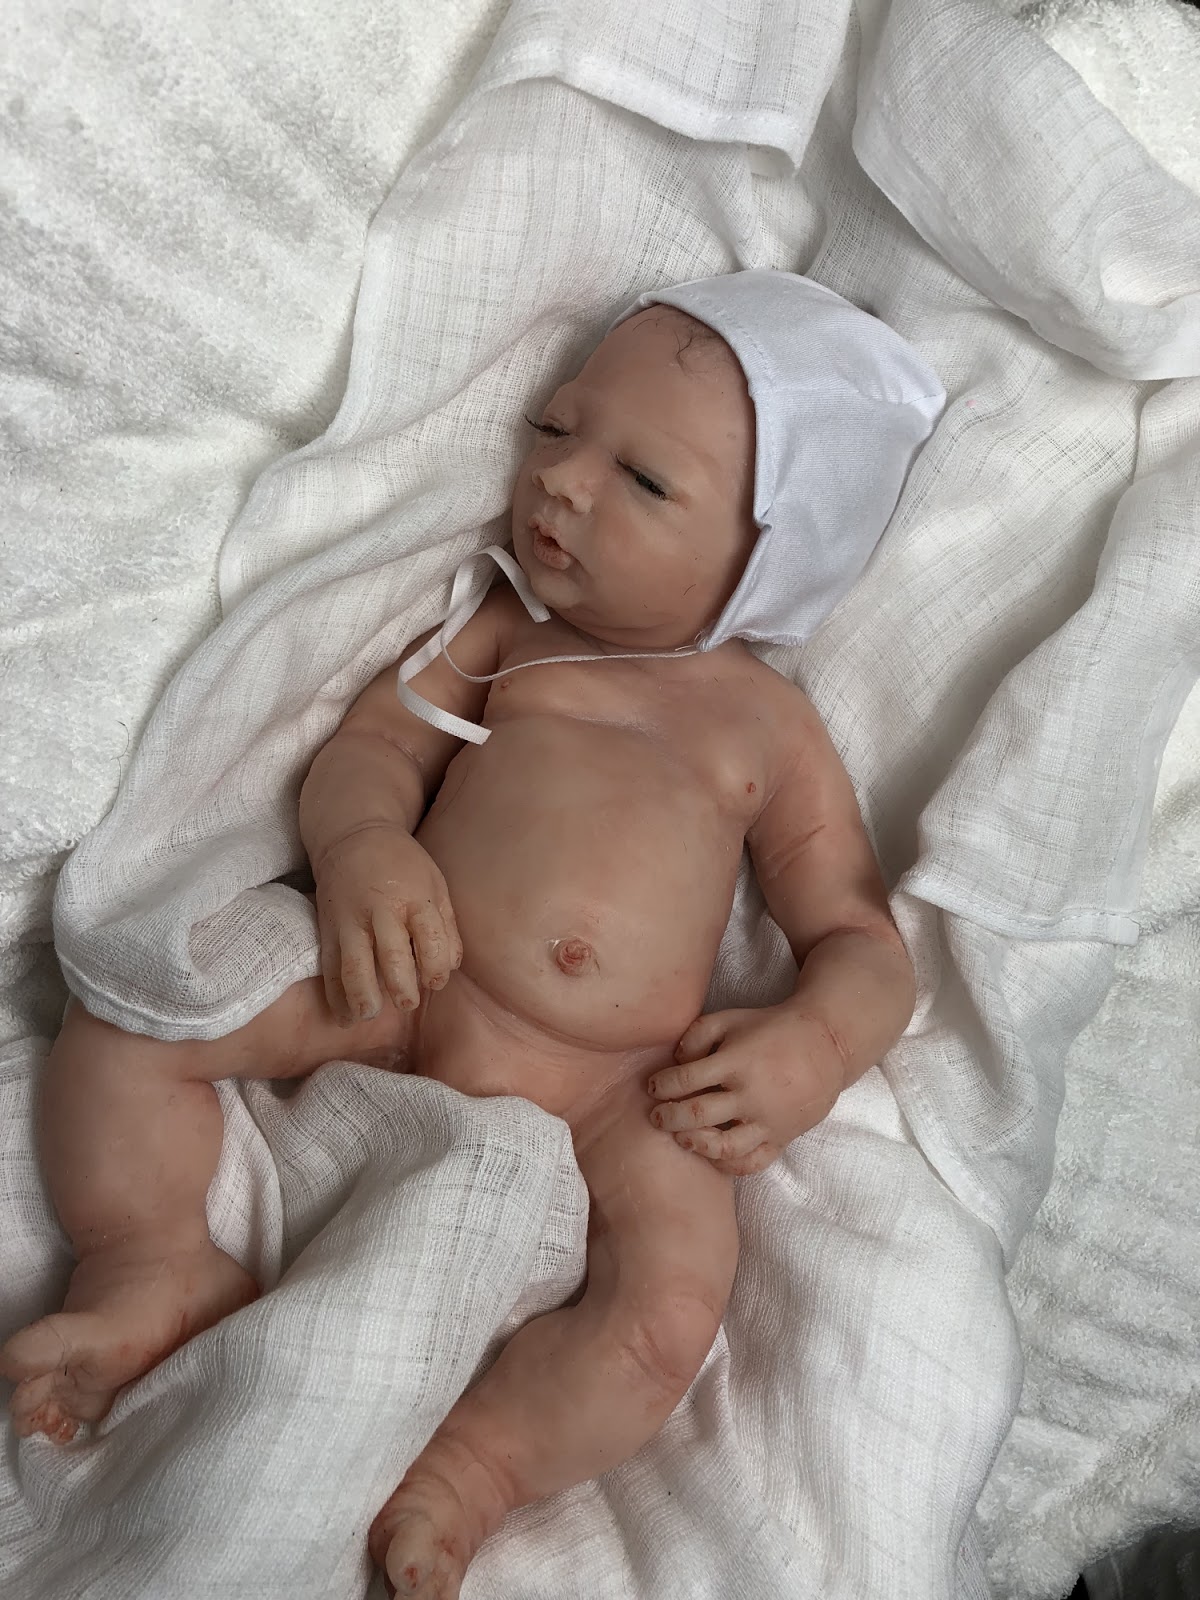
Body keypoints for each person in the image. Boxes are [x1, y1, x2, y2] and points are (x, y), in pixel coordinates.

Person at [2, 270, 942, 1600]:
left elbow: (858, 934)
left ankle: (478, 1469)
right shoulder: (507, 636)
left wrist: (814, 1048)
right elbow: (373, 749)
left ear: (773, 554)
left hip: (626, 1089)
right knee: (136, 1020)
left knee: (669, 1309)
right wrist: (363, 847)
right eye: (557, 429)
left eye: (643, 480)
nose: (561, 481)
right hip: (406, 983)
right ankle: (150, 1262)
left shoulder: (770, 732)